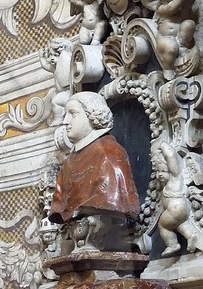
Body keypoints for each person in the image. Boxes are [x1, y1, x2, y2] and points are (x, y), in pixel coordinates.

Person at [49, 91, 139, 252]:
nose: (65, 122)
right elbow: (59, 204)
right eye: (65, 115)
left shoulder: (110, 154)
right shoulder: (68, 163)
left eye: (73, 114)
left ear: (93, 116)